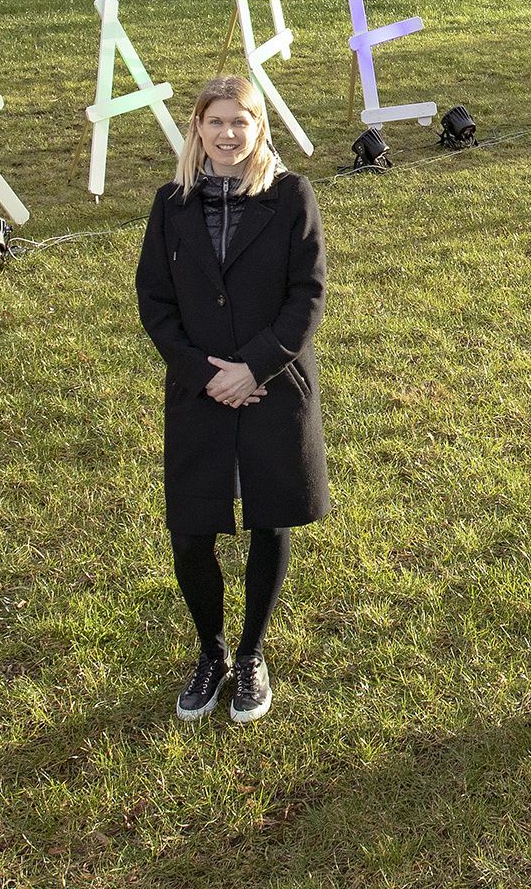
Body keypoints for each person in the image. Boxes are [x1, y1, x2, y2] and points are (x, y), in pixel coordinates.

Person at [134, 75, 329, 725]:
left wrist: (255, 369)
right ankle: (211, 650)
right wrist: (205, 373)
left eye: (238, 122)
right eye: (214, 122)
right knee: (191, 532)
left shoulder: (290, 194)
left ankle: (250, 653)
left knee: (268, 519)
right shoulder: (172, 204)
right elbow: (156, 302)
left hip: (272, 388)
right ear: (197, 130)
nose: (226, 134)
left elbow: (308, 293)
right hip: (199, 392)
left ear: (258, 128)